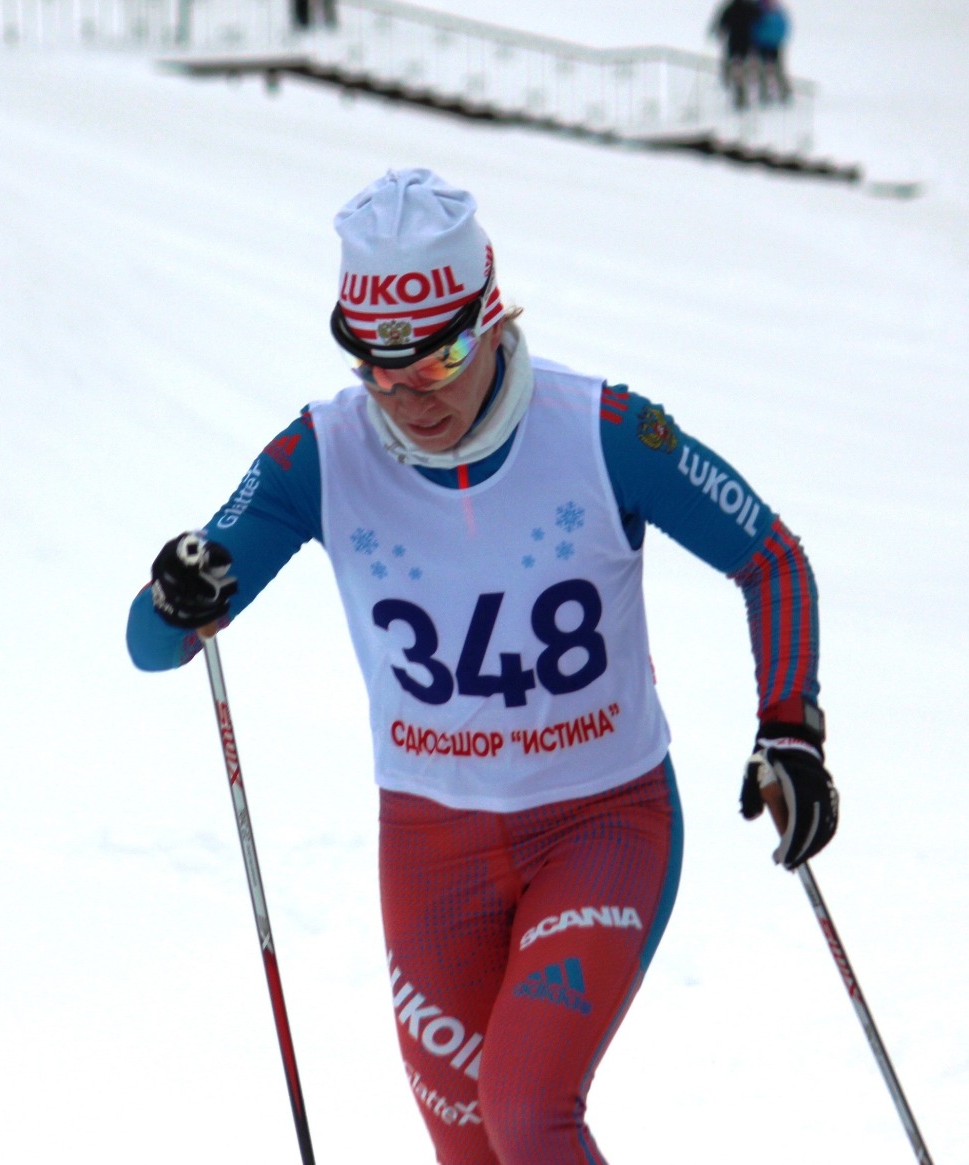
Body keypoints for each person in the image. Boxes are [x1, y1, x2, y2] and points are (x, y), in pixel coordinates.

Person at [127, 169, 839, 1164]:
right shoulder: (320, 455)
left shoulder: (601, 433)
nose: (405, 394)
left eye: (434, 359)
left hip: (601, 818)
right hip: (429, 847)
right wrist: (177, 598)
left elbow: (768, 557)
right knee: (469, 1148)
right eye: (376, 367)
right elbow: (151, 643)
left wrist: (787, 730)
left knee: (524, 1108)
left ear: (489, 317)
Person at [710, 0, 762, 110]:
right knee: (743, 72)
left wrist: (717, 30)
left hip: (736, 47)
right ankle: (743, 97)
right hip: (746, 46)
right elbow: (760, 20)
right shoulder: (748, 7)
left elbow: (721, 24)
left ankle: (741, 97)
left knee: (738, 72)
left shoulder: (731, 8)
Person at [753, 0, 792, 103]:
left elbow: (783, 27)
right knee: (762, 70)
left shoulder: (778, 12)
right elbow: (752, 27)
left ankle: (785, 92)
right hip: (762, 45)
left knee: (778, 70)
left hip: (774, 45)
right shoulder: (757, 10)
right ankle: (764, 94)